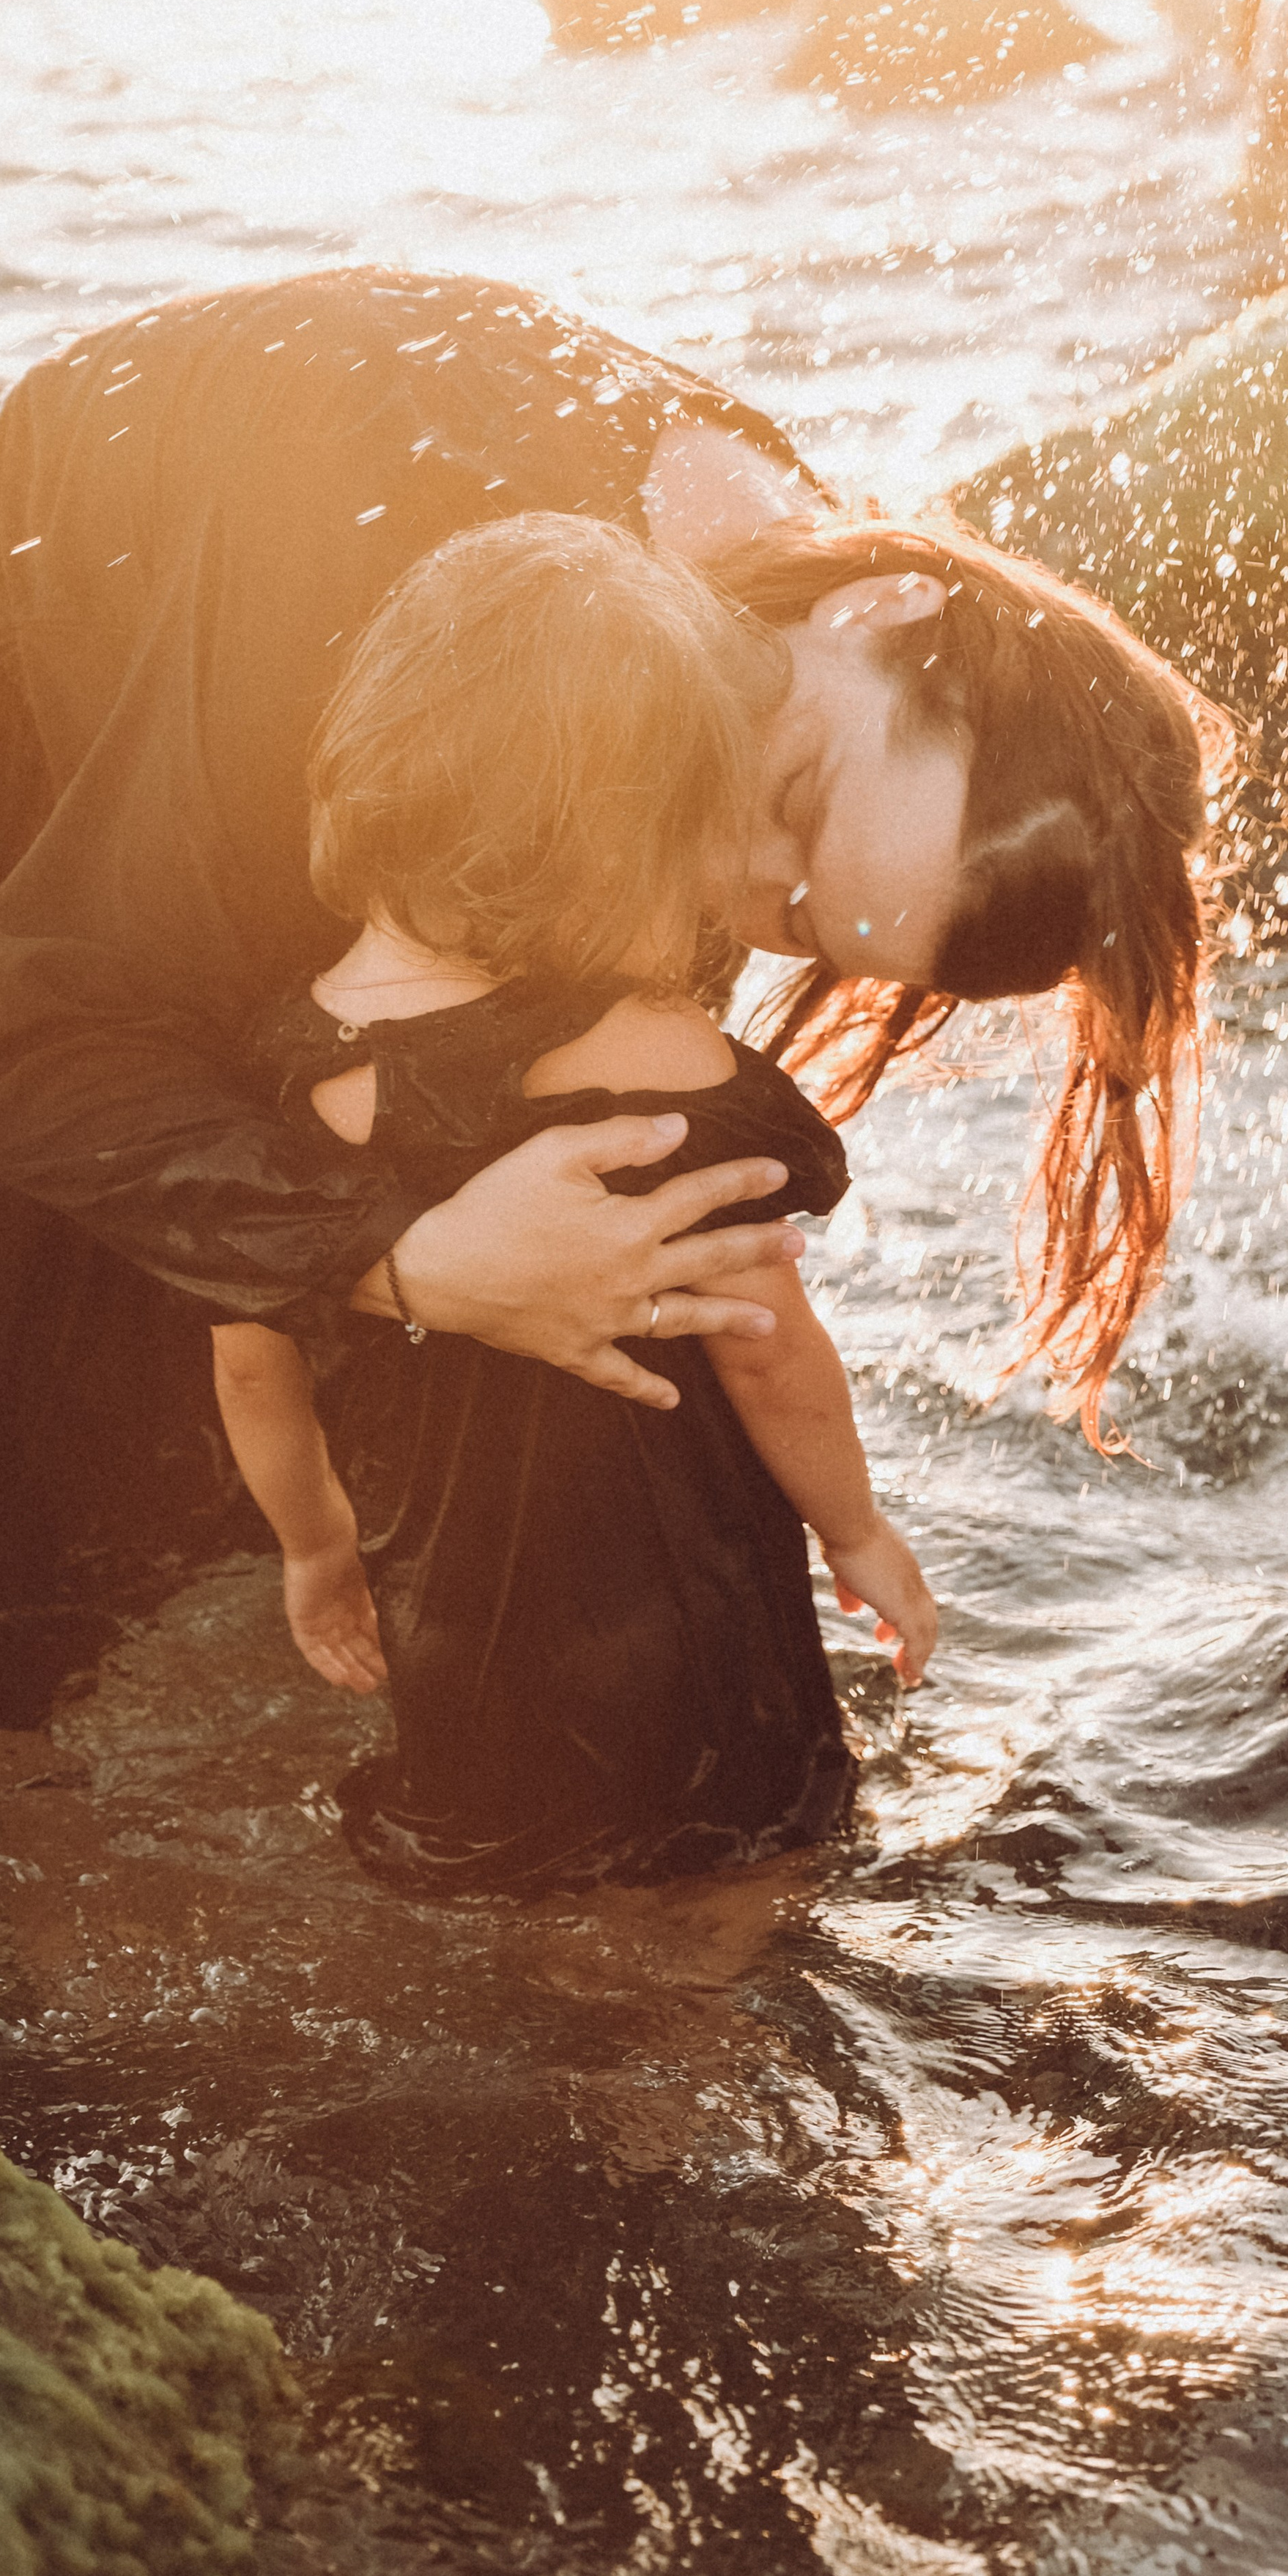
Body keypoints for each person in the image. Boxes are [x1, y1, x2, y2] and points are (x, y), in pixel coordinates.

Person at [0, 267, 1224, 1706]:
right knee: (41, 1568)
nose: (724, 872)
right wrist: (399, 1258)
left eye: (795, 923)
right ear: (882, 602)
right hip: (39, 712)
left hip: (221, 804)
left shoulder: (767, 626)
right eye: (799, 796)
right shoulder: (408, 583)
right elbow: (33, 1037)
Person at [209, 510, 936, 1895]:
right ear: (623, 844)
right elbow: (769, 1351)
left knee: (509, 1878)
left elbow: (253, 1362)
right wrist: (856, 1531)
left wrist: (315, 1548)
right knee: (731, 1867)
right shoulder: (669, 1066)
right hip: (683, 1594)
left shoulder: (291, 1079)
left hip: (465, 1628)